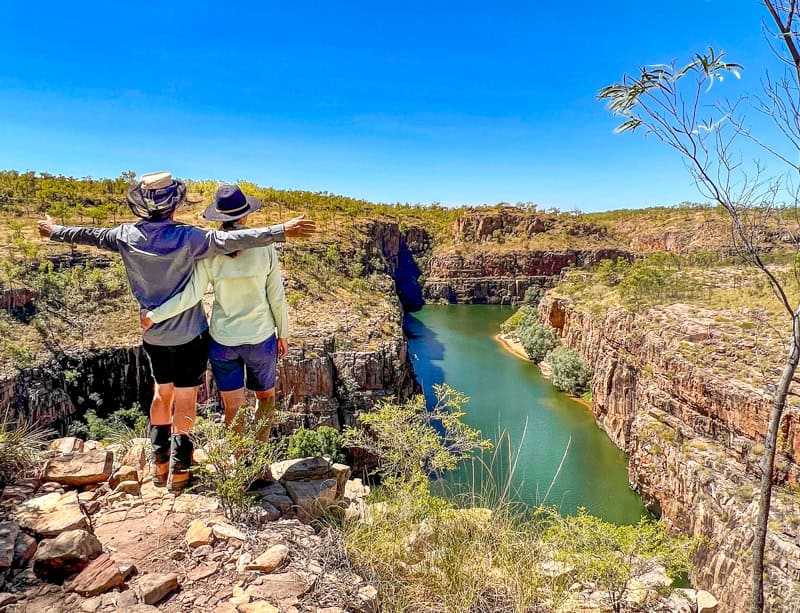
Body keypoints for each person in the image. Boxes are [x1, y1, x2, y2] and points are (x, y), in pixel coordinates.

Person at [37, 172, 315, 490]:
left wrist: (54, 230)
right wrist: (281, 232)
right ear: (175, 203)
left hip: (182, 337)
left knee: (184, 398)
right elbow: (250, 261)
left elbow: (89, 235)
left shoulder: (128, 236)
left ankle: (168, 464)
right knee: (225, 399)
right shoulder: (193, 239)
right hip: (217, 335)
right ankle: (215, 467)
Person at [142, 184, 288, 440]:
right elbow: (276, 296)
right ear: (245, 215)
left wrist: (155, 316)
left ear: (220, 217)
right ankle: (259, 460)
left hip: (222, 342)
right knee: (266, 398)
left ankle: (238, 461)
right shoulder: (264, 247)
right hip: (260, 337)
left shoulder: (208, 252)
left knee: (233, 407)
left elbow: (192, 295)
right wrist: (283, 334)